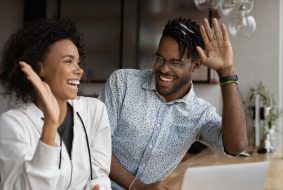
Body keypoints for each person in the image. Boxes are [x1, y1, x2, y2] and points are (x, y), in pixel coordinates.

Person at [100, 17, 248, 190]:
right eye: (160, 58)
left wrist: (226, 71)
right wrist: (137, 187)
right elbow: (97, 144)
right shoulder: (123, 83)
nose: (163, 68)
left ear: (196, 65)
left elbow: (236, 146)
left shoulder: (199, 114)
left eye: (175, 63)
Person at [0, 18, 112, 190]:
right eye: (68, 61)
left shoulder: (95, 111)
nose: (79, 70)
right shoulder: (13, 124)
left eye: (78, 62)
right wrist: (50, 125)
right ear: (39, 68)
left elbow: (99, 175)